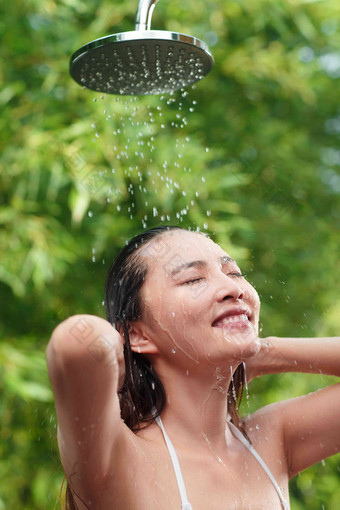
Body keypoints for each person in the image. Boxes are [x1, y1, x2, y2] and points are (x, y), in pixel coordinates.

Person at [46, 226, 340, 510]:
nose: (232, 288)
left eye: (234, 273)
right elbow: (74, 341)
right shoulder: (119, 460)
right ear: (138, 335)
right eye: (192, 280)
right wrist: (116, 352)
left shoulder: (270, 439)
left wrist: (266, 351)